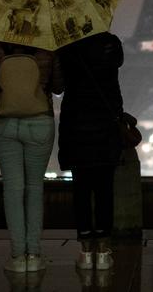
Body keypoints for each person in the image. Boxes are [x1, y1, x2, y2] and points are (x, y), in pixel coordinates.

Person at [0, 38, 63, 273]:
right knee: (35, 187)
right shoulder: (47, 41)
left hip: (3, 121)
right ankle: (33, 254)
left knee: (12, 189)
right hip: (40, 122)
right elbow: (58, 86)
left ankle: (17, 256)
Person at [57, 31, 130, 271]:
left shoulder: (67, 46)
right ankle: (105, 250)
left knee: (81, 191)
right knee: (104, 190)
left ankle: (86, 251)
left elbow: (58, 86)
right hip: (105, 126)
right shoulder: (110, 43)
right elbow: (117, 70)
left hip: (76, 126)